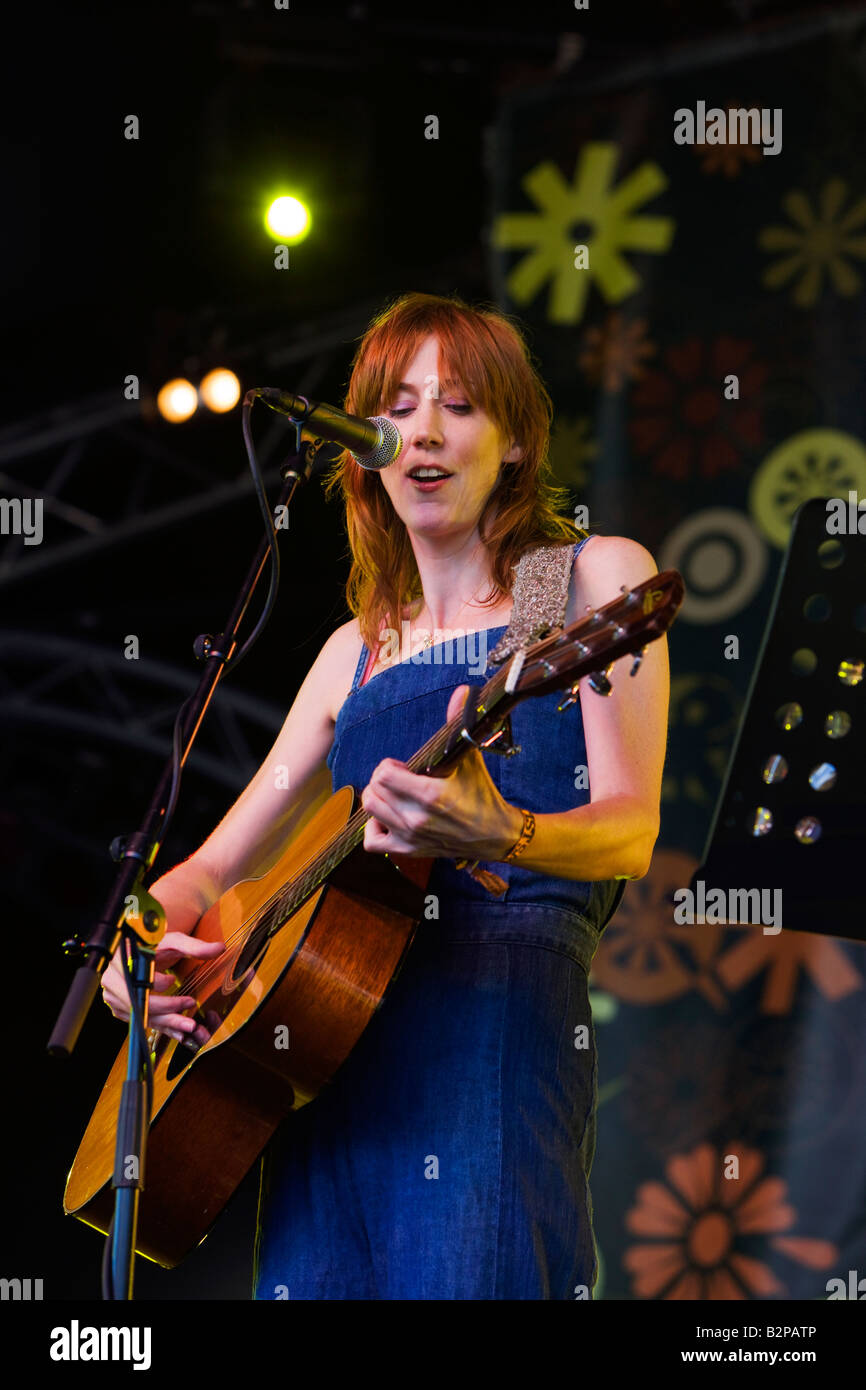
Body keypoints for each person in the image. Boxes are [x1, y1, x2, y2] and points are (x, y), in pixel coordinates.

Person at [101, 291, 669, 1299]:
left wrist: (509, 830)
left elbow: (629, 832)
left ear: (514, 441)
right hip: (311, 1067)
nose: (422, 432)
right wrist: (143, 941)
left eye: (457, 404)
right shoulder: (346, 654)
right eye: (395, 408)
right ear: (361, 447)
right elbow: (208, 869)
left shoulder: (587, 581)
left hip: (488, 1034)